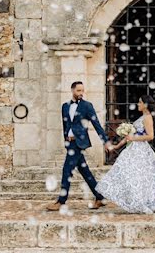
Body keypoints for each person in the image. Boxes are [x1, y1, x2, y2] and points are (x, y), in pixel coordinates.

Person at [96, 94, 155, 213]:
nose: (138, 104)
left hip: (141, 150)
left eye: (140, 102)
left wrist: (133, 138)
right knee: (127, 172)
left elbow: (150, 136)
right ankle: (133, 199)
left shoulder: (147, 117)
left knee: (136, 175)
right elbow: (128, 137)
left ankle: (140, 201)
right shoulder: (142, 117)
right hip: (132, 149)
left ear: (145, 105)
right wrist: (116, 146)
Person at [46, 81, 112, 211]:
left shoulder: (87, 106)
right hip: (70, 143)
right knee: (84, 171)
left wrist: (105, 141)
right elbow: (66, 126)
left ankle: (61, 201)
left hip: (78, 143)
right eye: (78, 91)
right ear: (72, 90)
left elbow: (96, 124)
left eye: (82, 91)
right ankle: (100, 197)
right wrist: (66, 141)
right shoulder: (65, 106)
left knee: (66, 170)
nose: (81, 93)